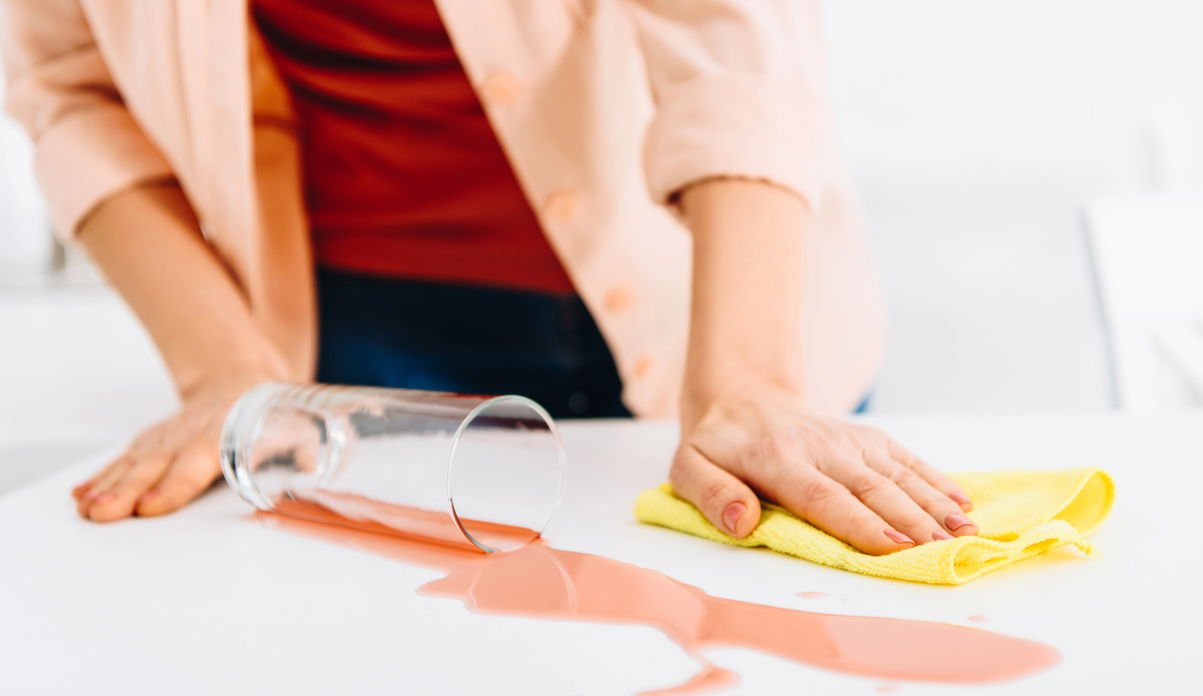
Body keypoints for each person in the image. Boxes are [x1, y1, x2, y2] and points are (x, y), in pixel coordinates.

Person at [1, 0, 977, 553]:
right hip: (360, 338)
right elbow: (70, 89)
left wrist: (749, 378)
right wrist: (225, 371)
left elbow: (730, 35)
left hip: (711, 284)